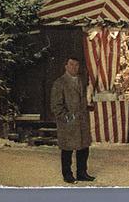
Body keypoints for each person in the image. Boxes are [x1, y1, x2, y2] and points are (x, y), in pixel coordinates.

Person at [50, 56, 95, 184]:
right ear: (66, 66)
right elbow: (56, 105)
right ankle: (67, 174)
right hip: (69, 123)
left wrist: (87, 106)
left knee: (83, 148)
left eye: (76, 65)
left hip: (82, 122)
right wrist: (67, 117)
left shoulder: (81, 80)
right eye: (71, 64)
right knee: (67, 150)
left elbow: (82, 99)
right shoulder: (59, 83)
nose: (74, 67)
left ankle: (82, 173)